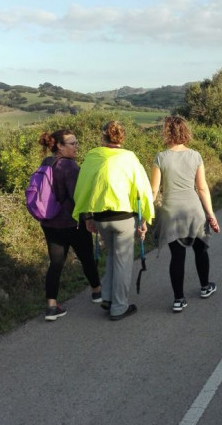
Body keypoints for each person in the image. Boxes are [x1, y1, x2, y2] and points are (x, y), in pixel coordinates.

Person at [73, 121, 154, 321]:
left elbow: (83, 188)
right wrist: (144, 217)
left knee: (111, 257)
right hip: (124, 218)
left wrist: (87, 216)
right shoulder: (129, 158)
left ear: (103, 137)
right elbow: (142, 189)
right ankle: (119, 307)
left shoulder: (93, 157)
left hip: (101, 218)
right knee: (123, 262)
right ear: (122, 137)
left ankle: (108, 297)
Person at [151, 115, 220, 313]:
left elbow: (154, 191)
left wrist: (145, 218)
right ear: (185, 131)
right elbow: (203, 189)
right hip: (194, 211)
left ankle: (178, 299)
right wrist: (211, 215)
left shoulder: (160, 157)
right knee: (201, 250)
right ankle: (205, 286)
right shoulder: (195, 156)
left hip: (171, 213)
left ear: (166, 132)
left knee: (177, 257)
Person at [37, 129, 101, 322]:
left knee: (56, 263)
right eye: (72, 144)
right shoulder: (70, 167)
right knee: (87, 256)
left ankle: (51, 306)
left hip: (49, 222)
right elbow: (78, 196)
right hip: (71, 222)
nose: (76, 147)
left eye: (76, 142)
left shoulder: (46, 163)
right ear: (59, 146)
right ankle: (97, 292)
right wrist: (89, 218)